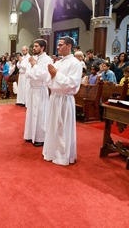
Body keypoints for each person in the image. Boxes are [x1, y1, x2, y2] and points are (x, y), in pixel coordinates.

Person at [43, 36, 82, 166]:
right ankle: (52, 152)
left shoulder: (75, 63)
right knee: (52, 126)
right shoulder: (58, 62)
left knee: (62, 127)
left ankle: (62, 155)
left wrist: (55, 74)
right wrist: (51, 74)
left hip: (65, 99)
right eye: (58, 45)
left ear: (69, 46)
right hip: (54, 97)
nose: (58, 47)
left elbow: (72, 84)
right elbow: (48, 81)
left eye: (61, 45)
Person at [24, 39, 52, 147]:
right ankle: (30, 135)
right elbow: (27, 73)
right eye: (34, 46)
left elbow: (43, 75)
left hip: (40, 90)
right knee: (31, 113)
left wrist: (34, 67)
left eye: (36, 46)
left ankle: (40, 138)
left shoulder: (47, 59)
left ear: (42, 48)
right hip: (33, 89)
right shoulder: (34, 58)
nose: (34, 48)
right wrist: (34, 69)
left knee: (40, 114)